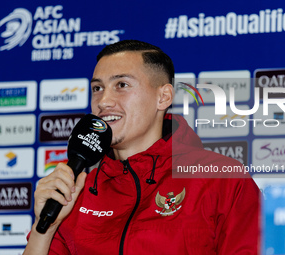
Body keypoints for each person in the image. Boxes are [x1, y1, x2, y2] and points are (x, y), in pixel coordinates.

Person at [24, 40, 260, 255]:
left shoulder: (221, 179)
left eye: (122, 85)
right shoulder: (76, 191)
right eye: (97, 88)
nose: (103, 101)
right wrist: (43, 229)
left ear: (164, 97)